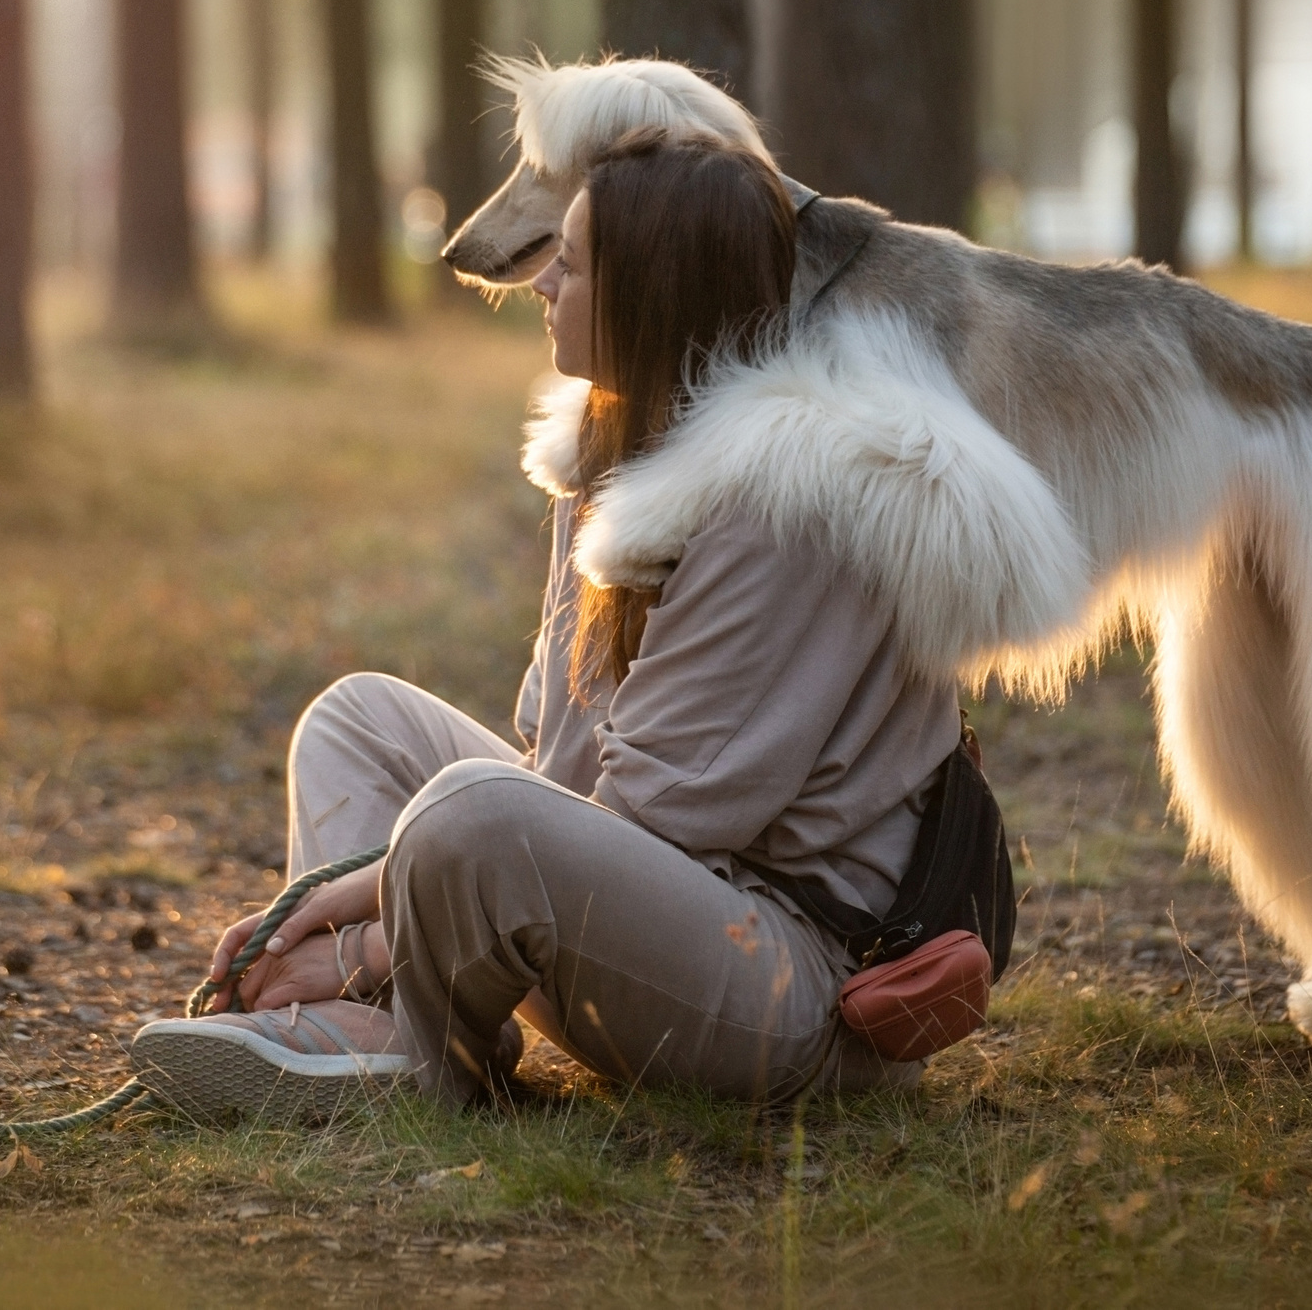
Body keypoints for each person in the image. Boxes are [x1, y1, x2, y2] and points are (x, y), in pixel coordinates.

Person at [128, 130, 968, 1120]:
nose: (538, 282)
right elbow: (560, 762)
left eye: (568, 264)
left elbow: (653, 820)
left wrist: (358, 929)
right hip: (659, 917)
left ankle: (391, 1028)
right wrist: (356, 904)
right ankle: (394, 1029)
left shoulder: (791, 502)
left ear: (651, 294)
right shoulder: (619, 447)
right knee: (360, 722)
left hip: (789, 986)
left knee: (471, 810)